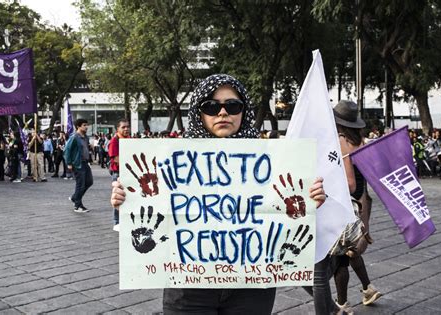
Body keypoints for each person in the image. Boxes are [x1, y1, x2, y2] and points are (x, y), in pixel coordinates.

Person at [110, 74, 326, 315]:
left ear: (244, 111)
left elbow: (286, 211)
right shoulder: (169, 159)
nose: (223, 113)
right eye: (211, 107)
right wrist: (127, 200)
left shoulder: (277, 161)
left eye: (233, 106)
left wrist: (311, 199)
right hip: (189, 285)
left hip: (252, 284)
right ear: (198, 113)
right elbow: (152, 204)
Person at [332, 100, 381, 314]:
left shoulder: (342, 141)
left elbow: (350, 183)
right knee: (351, 252)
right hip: (361, 203)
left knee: (340, 257)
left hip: (346, 205)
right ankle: (368, 288)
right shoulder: (361, 141)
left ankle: (343, 304)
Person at [64, 119, 92, 213]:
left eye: (86, 125)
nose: (86, 127)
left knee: (89, 182)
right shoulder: (74, 137)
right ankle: (77, 205)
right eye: (84, 125)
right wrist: (69, 163)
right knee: (80, 184)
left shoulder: (85, 137)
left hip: (85, 163)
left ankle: (75, 197)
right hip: (77, 164)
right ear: (78, 127)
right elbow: (67, 150)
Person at [108, 118, 130, 232]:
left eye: (127, 126)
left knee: (126, 196)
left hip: (128, 171)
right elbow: (116, 158)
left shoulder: (129, 140)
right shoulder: (114, 141)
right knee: (117, 197)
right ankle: (117, 222)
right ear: (118, 128)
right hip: (118, 172)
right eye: (123, 127)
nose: (126, 129)